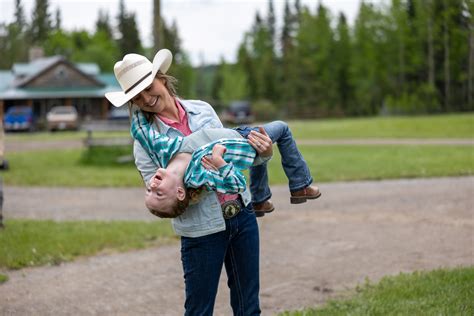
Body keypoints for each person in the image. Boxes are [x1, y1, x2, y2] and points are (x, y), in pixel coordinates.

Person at [105, 49, 265, 315]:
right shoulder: (144, 143)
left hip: (242, 216)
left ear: (162, 78)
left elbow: (232, 153)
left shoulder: (202, 109)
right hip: (201, 230)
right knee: (199, 310)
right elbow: (162, 196)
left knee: (249, 306)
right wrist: (202, 174)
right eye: (136, 97)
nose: (146, 98)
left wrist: (263, 153)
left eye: (148, 86)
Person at [130, 111, 320, 218]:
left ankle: (261, 201)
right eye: (159, 193)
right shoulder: (199, 175)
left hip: (241, 133)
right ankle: (300, 186)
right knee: (283, 128)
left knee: (260, 157)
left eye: (149, 191)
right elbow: (236, 185)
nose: (152, 186)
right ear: (180, 193)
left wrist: (137, 106)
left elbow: (142, 132)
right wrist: (220, 163)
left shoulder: (168, 149)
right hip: (246, 144)